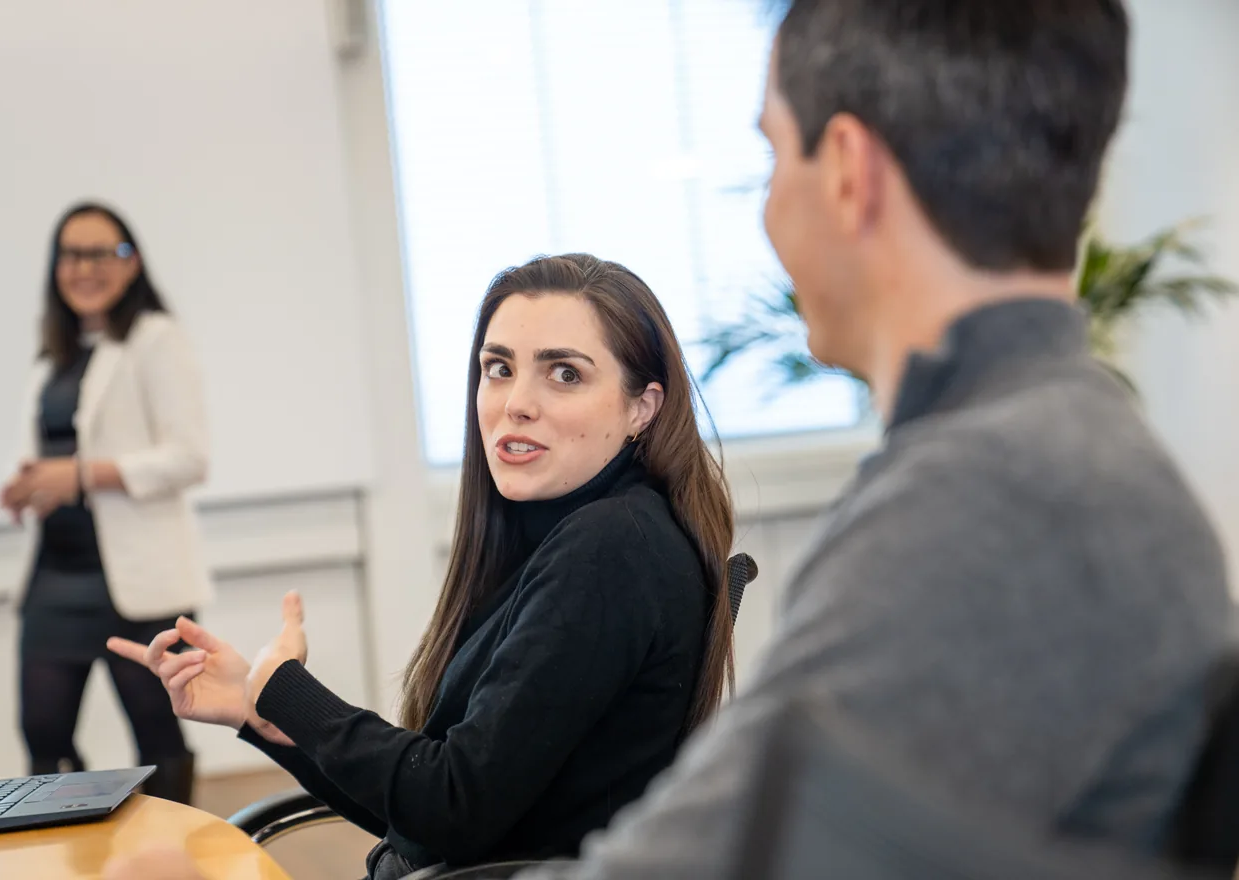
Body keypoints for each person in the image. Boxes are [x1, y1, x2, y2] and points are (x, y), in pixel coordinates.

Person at [503, 1, 1237, 876]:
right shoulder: (1072, 454)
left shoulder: (992, 496)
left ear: (848, 171)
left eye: (776, 155)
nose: (770, 208)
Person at [108, 254, 737, 879]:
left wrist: (288, 690)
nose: (516, 402)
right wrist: (259, 706)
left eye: (565, 375)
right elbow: (426, 813)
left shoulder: (611, 548)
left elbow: (450, 808)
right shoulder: (580, 534)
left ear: (642, 408)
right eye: (498, 369)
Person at [0, 202, 213, 805]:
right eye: (71, 254)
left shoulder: (156, 339)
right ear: (55, 267)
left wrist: (82, 476)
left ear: (132, 262)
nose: (84, 267)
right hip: (54, 574)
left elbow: (189, 457)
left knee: (156, 729)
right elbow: (51, 453)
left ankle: (174, 859)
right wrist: (27, 485)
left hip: (137, 581)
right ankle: (66, 852)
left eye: (102, 252)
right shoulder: (54, 356)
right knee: (42, 732)